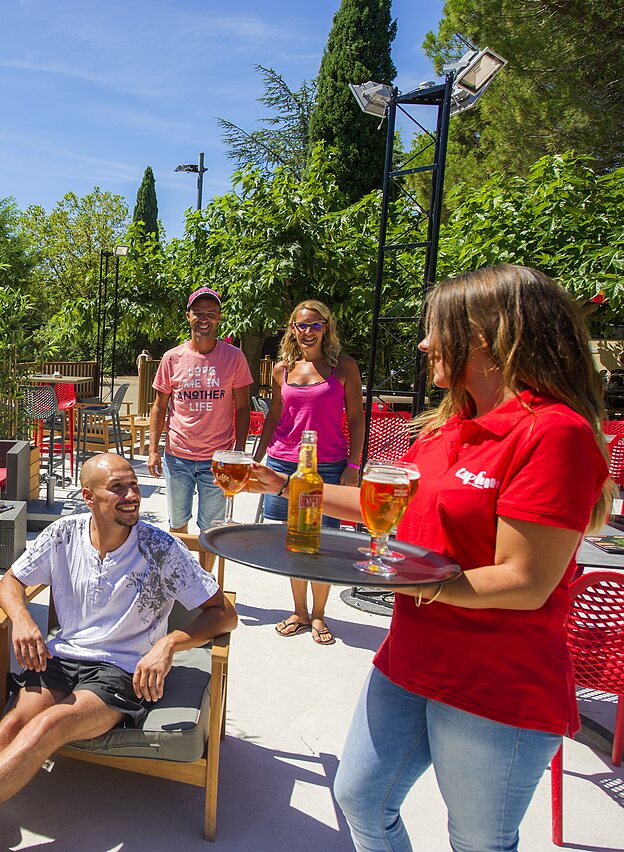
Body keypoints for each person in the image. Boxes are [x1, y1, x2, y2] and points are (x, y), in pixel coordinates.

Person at [246, 265, 613, 851]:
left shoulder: (552, 433)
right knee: (361, 798)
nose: (423, 344)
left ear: (485, 338)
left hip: (495, 683)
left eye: (436, 330)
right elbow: (384, 503)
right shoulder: (449, 427)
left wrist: (410, 579)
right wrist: (280, 484)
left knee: (476, 841)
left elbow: (525, 580)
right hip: (412, 658)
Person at [0, 453, 238, 846]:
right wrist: (21, 618)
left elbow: (224, 613)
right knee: (12, 724)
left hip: (120, 673)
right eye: (117, 487)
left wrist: (171, 642)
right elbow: (10, 582)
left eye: (133, 485)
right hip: (61, 657)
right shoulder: (63, 534)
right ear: (88, 496)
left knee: (45, 727)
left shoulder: (161, 549)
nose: (132, 495)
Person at [254, 300, 364, 645]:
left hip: (327, 465)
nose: (307, 332)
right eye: (300, 325)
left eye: (315, 325)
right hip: (283, 461)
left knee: (322, 543)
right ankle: (299, 611)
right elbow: (274, 417)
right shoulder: (281, 369)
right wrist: (255, 458)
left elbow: (358, 417)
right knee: (293, 541)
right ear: (292, 329)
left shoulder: (343, 367)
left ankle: (319, 614)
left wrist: (354, 465)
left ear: (326, 328)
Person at [147, 287, 253, 559]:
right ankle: (179, 583)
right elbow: (160, 406)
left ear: (218, 318)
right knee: (177, 525)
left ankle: (205, 591)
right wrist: (153, 450)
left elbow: (242, 408)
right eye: (198, 313)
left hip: (217, 458)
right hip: (178, 455)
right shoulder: (172, 358)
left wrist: (238, 452)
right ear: (188, 316)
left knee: (211, 530)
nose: (204, 319)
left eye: (211, 314)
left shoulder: (234, 357)